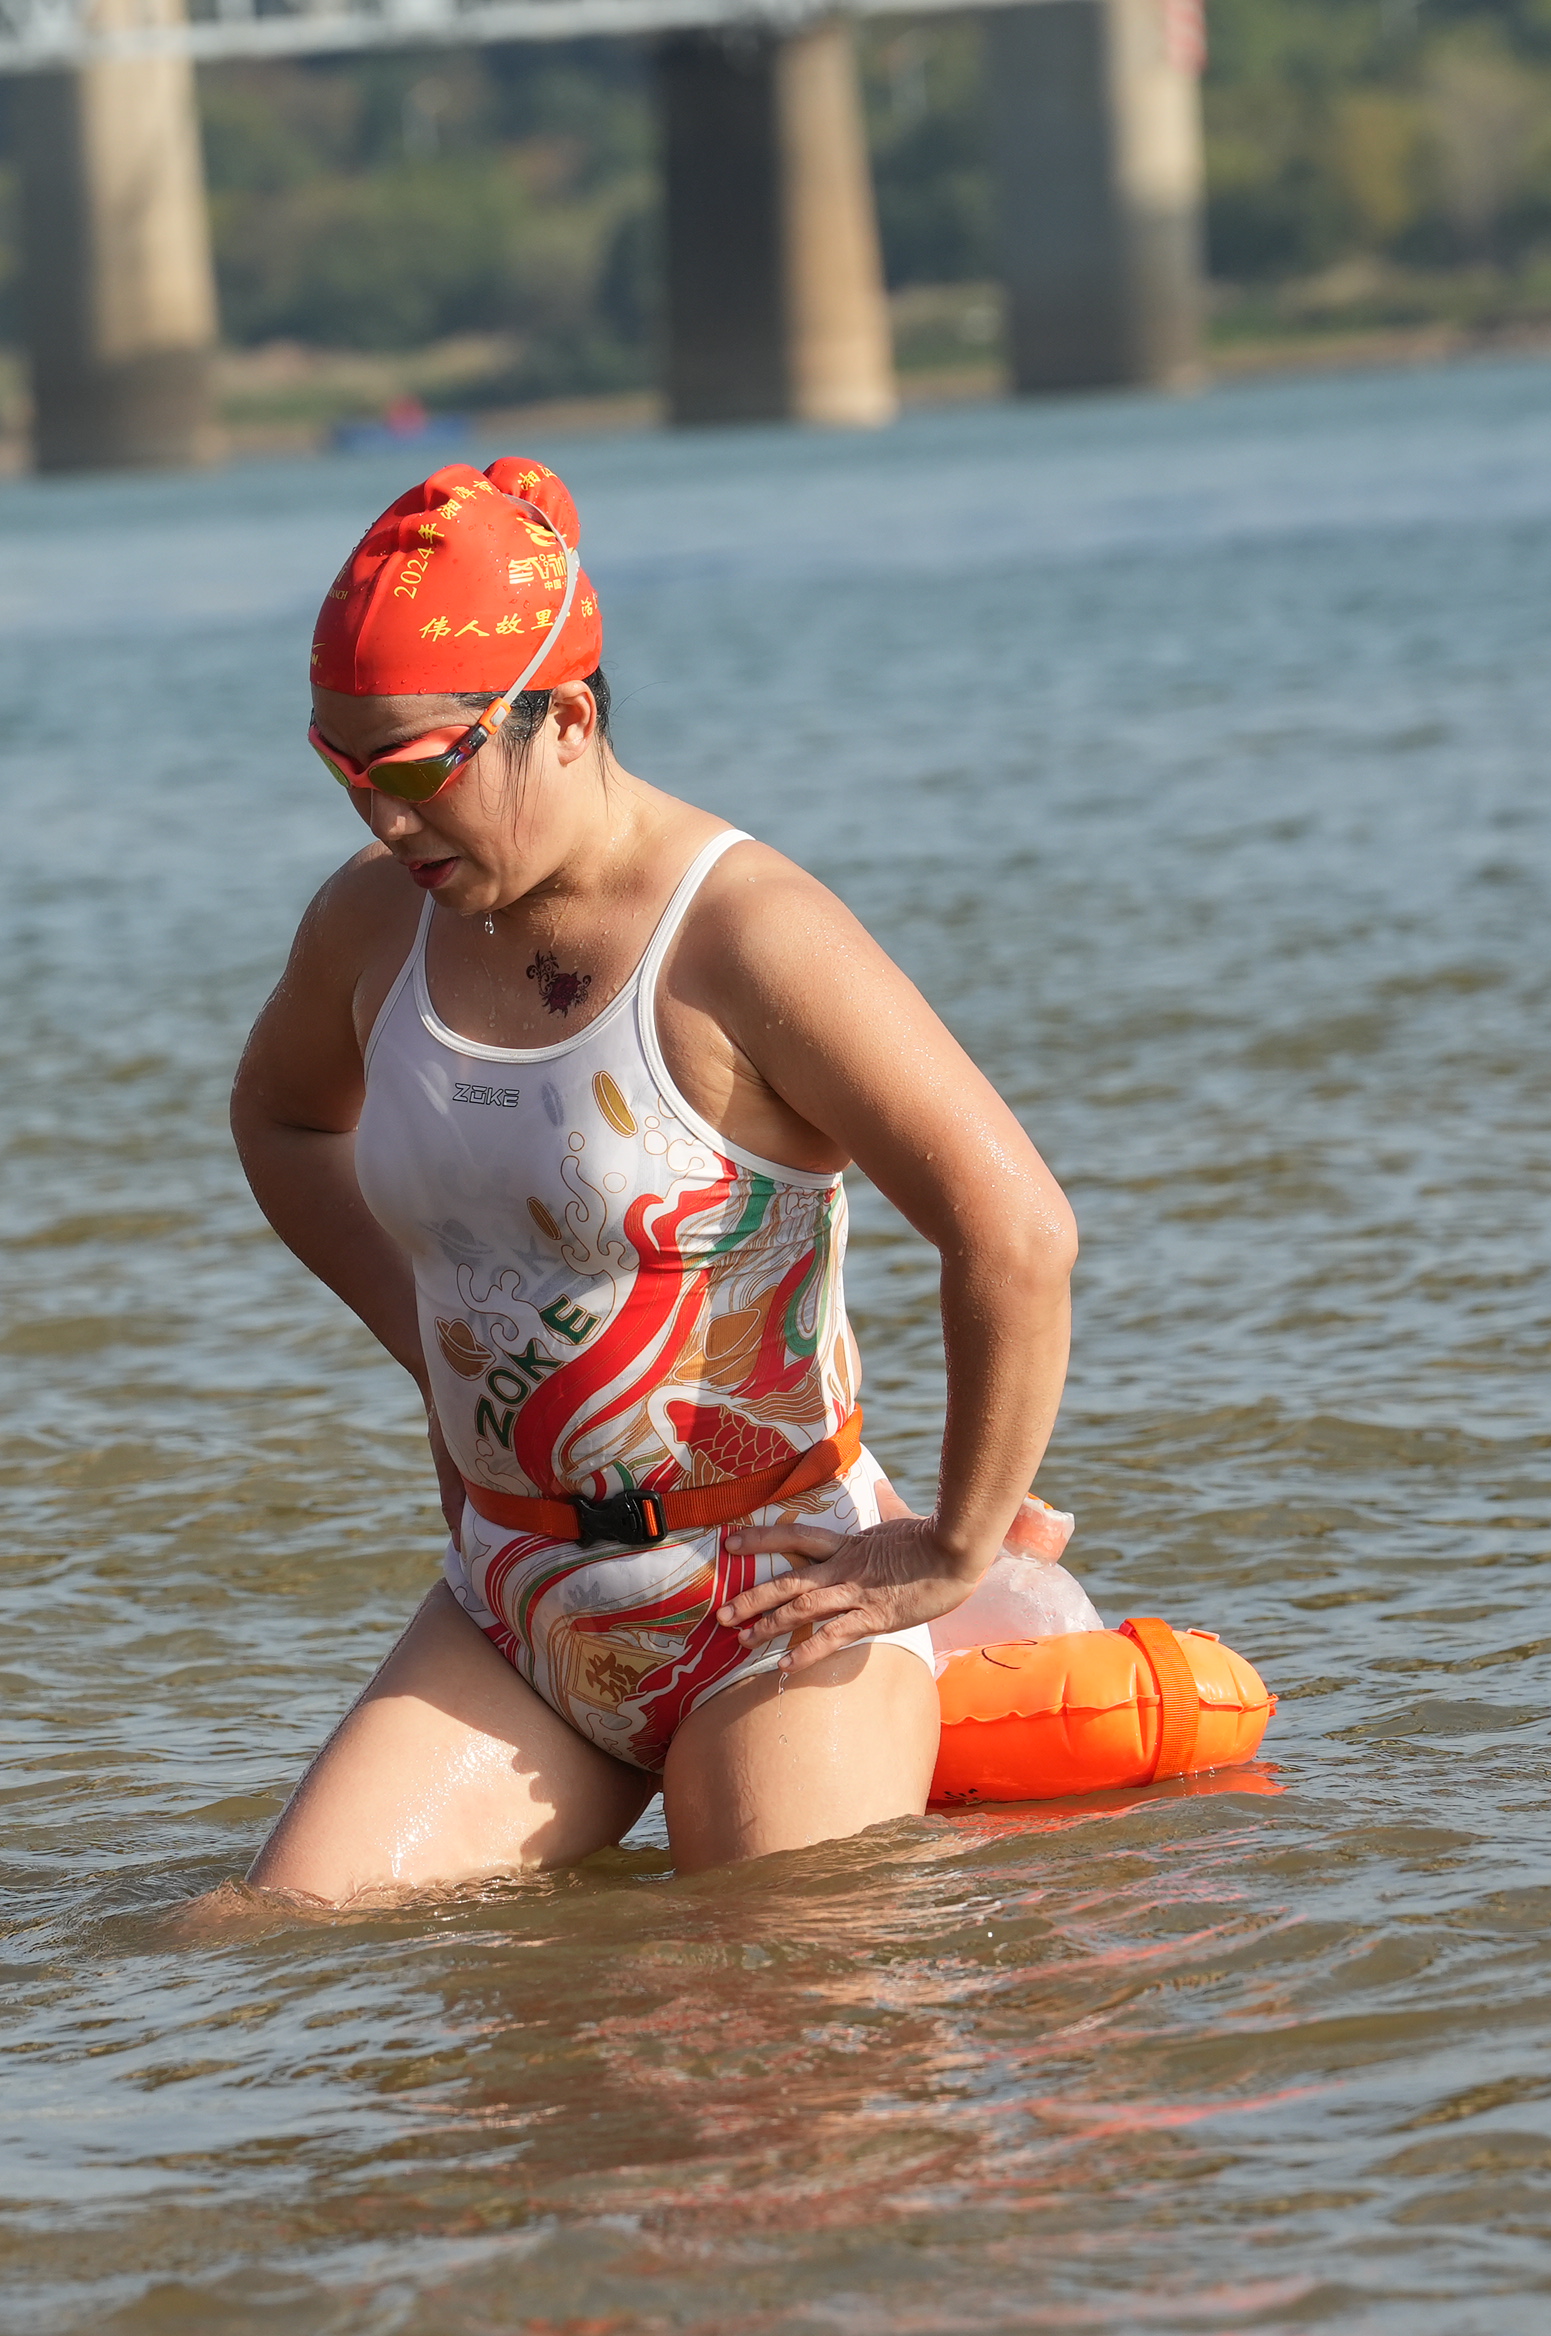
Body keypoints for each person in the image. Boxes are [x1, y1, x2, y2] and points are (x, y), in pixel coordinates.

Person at [233, 457, 1087, 1901]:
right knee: (267, 1948)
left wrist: (950, 1544)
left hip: (777, 1607)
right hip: (515, 1602)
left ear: (563, 718)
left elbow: (1016, 1231)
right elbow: (280, 1121)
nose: (381, 820)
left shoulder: (745, 934)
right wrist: (438, 1361)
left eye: (417, 771)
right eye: (344, 769)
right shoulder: (370, 929)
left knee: (768, 1986)